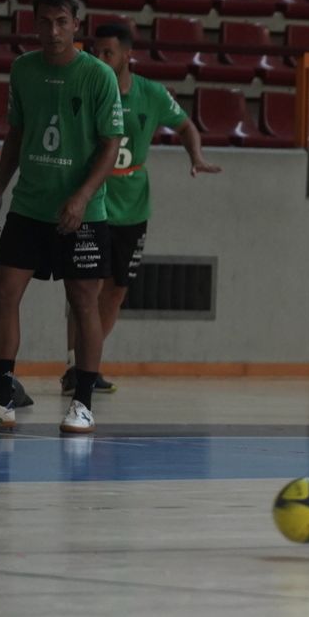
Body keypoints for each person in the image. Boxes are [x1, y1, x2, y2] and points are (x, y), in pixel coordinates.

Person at [0, 0, 122, 434]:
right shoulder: (24, 70)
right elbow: (16, 135)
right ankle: (1, 398)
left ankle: (83, 402)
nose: (53, 31)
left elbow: (111, 144)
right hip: (29, 205)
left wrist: (83, 196)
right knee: (3, 291)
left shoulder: (98, 76)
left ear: (76, 26)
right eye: (45, 22)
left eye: (62, 22)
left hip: (83, 212)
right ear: (34, 24)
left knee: (83, 301)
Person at [61, 23, 221, 398]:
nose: (99, 58)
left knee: (115, 291)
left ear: (126, 55)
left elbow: (185, 126)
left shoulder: (151, 93)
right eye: (95, 51)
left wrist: (195, 156)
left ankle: (88, 366)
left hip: (133, 207)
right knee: (86, 289)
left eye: (107, 53)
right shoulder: (87, 87)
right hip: (94, 201)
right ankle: (74, 363)